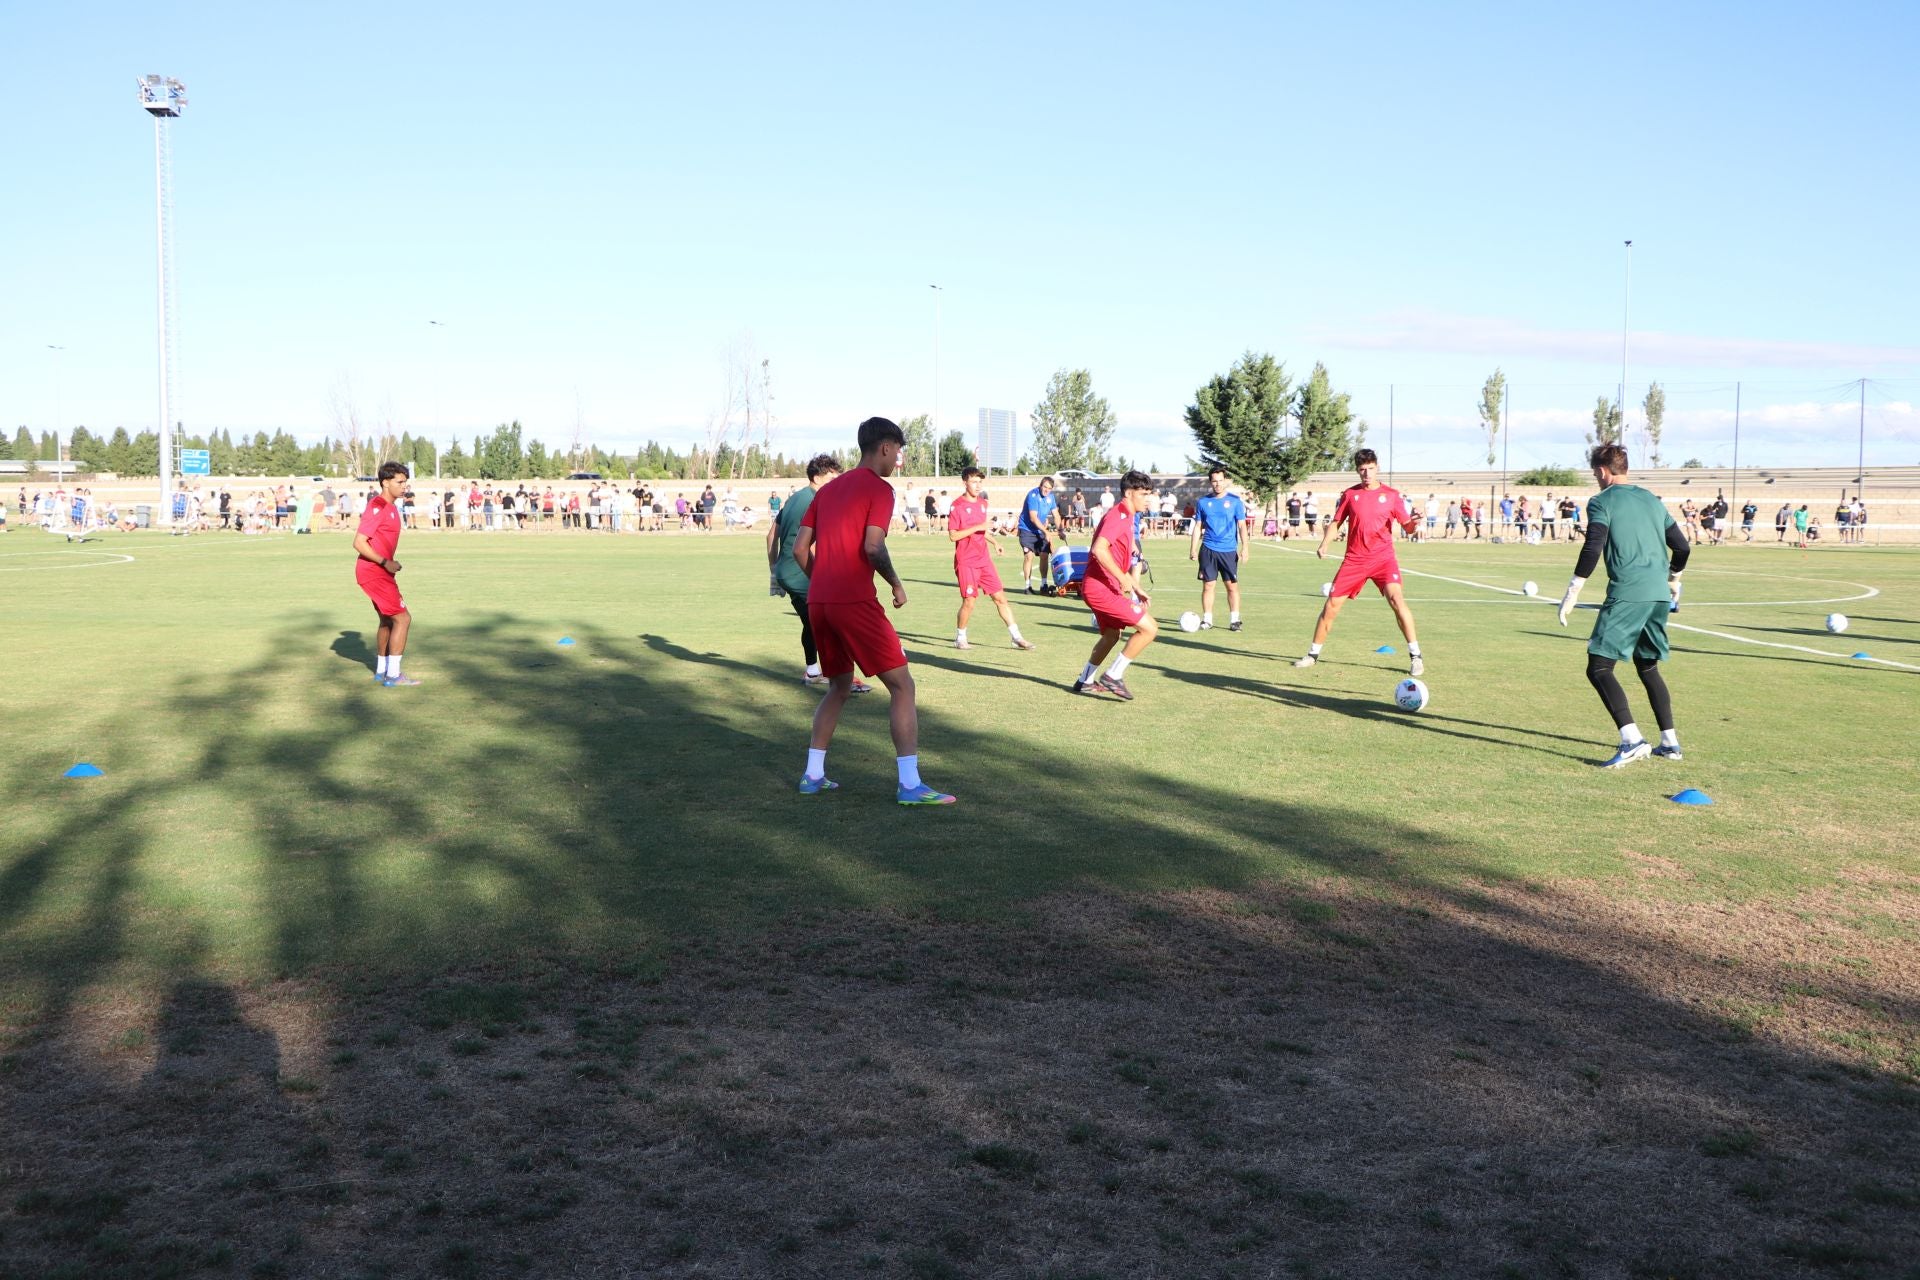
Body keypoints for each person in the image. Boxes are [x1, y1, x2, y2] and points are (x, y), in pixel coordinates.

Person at [792, 417, 953, 805]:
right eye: (898, 450)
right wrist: (896, 583)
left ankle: (813, 775)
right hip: (853, 601)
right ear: (884, 447)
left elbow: (800, 550)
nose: (898, 458)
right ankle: (910, 785)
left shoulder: (827, 492)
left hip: (819, 602)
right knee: (902, 685)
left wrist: (825, 582)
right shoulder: (880, 490)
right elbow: (872, 547)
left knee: (839, 686)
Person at [1556, 443, 1691, 767]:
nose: (1596, 480)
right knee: (1647, 666)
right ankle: (1670, 743)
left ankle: (1632, 740)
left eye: (1594, 474)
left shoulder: (1601, 501)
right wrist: (1674, 577)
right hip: (1659, 594)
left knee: (1599, 667)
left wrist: (1574, 587)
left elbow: (1593, 544)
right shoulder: (1651, 500)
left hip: (1628, 592)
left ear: (1603, 471)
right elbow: (1682, 547)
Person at [1294, 449, 1424, 677]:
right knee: (1331, 606)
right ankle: (1312, 655)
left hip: (1383, 559)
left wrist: (1414, 522)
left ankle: (1416, 656)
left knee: (1396, 600)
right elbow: (1336, 522)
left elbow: (1408, 528)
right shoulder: (1350, 495)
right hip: (1354, 560)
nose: (1367, 473)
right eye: (1362, 469)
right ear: (1357, 470)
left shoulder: (1392, 495)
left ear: (1377, 467)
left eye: (1371, 468)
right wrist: (1325, 543)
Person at [769, 455, 871, 694]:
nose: (837, 482)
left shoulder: (794, 498)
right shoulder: (818, 499)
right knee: (836, 619)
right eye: (832, 477)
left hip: (787, 571)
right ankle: (844, 678)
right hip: (802, 572)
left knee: (811, 621)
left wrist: (774, 573)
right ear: (817, 478)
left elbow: (771, 535)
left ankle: (813, 671)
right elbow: (813, 543)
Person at [1071, 470, 1160, 700]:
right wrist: (1123, 580)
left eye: (1149, 493)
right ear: (1129, 494)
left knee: (1112, 634)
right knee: (1150, 628)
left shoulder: (1128, 516)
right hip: (1100, 587)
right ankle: (1113, 675)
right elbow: (1099, 549)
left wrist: (1136, 587)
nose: (1147, 498)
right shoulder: (1118, 515)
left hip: (1104, 586)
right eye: (1144, 493)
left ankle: (1085, 680)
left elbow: (1123, 552)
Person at [948, 466, 1035, 652]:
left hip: (984, 560)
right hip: (966, 561)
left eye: (980, 482)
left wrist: (995, 542)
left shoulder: (982, 504)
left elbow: (982, 529)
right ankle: (960, 637)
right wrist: (979, 526)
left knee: (1000, 598)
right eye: (974, 481)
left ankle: (1016, 637)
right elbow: (953, 536)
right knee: (969, 601)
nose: (978, 485)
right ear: (965, 483)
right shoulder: (957, 506)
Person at [353, 462, 419, 687]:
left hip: (380, 571)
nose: (404, 486)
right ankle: (393, 675)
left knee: (387, 620)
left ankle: (382, 671)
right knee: (403, 618)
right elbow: (359, 543)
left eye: (405, 482)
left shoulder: (391, 507)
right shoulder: (378, 505)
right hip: (374, 571)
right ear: (385, 482)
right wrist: (385, 562)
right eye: (400, 482)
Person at [1188, 467, 1247, 631]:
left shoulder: (1235, 501)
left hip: (1228, 550)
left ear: (1225, 481)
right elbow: (1198, 525)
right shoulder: (1203, 502)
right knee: (1208, 586)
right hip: (1208, 549)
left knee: (1231, 586)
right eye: (1214, 481)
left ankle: (1235, 620)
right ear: (1210, 482)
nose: (1218, 484)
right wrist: (1193, 548)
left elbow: (1241, 525)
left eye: (1221, 480)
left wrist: (1245, 548)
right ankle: (1207, 619)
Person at [1018, 475, 1064, 594]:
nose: (1046, 490)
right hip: (1027, 530)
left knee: (1044, 555)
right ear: (1040, 486)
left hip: (1041, 530)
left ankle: (1043, 585)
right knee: (1029, 556)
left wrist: (1060, 530)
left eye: (1049, 488)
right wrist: (1047, 531)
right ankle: (1027, 586)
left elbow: (1056, 515)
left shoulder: (1051, 498)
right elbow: (1033, 518)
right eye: (1045, 487)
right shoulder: (1033, 495)